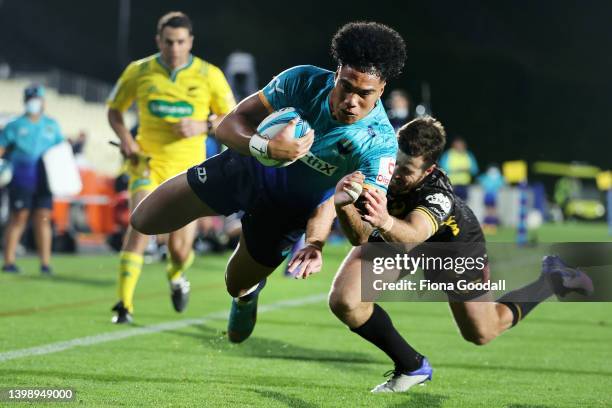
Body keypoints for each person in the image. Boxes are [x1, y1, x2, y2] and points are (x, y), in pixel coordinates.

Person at [129, 21, 407, 343]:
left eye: (364, 93)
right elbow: (226, 126)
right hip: (244, 169)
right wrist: (263, 147)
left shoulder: (379, 145)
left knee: (235, 286)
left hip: (284, 212)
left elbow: (360, 236)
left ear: (382, 89)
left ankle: (250, 293)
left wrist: (345, 205)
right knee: (143, 220)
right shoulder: (303, 80)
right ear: (337, 73)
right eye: (346, 86)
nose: (351, 101)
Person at [329, 116, 593, 392]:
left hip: (451, 246)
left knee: (482, 332)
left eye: (406, 170)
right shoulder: (378, 158)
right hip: (396, 231)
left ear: (429, 170)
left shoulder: (437, 195)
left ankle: (552, 280)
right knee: (346, 300)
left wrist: (382, 220)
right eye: (395, 162)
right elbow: (358, 236)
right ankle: (411, 366)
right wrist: (344, 206)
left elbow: (412, 237)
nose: (394, 175)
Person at [107, 11, 236, 323]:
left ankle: (176, 276)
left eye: (180, 42)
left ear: (190, 41)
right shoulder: (139, 71)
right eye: (168, 42)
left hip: (188, 173)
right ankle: (123, 305)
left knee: (179, 250)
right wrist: (126, 138)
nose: (174, 48)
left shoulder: (209, 74)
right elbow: (114, 110)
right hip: (147, 165)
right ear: (158, 41)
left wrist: (204, 125)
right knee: (139, 225)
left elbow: (232, 119)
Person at [0, 84, 64, 274]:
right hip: (21, 179)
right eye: (30, 99)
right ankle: (9, 261)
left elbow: (61, 151)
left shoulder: (52, 125)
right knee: (18, 217)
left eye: (36, 99)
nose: (33, 103)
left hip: (45, 180)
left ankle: (45, 263)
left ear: (43, 101)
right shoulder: (14, 125)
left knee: (43, 218)